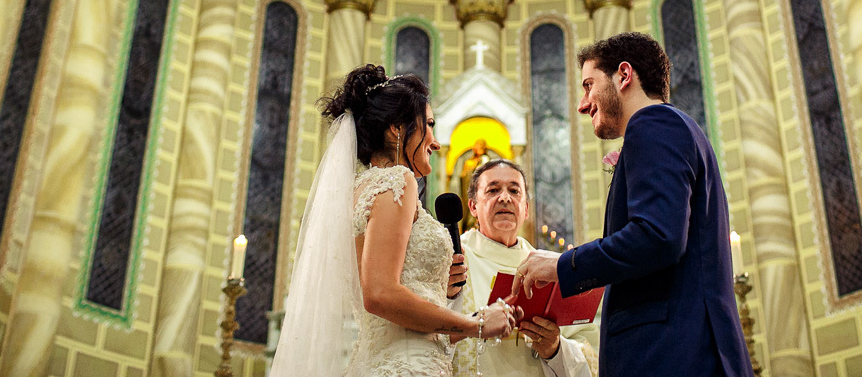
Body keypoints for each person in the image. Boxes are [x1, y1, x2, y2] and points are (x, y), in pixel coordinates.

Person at [513, 32, 753, 377]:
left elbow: (658, 237)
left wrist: (564, 265)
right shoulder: (677, 128)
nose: (583, 104)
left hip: (670, 353)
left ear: (624, 75)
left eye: (588, 85)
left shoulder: (654, 124)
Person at [271, 65, 518, 377]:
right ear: (396, 129)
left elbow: (395, 309)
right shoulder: (397, 181)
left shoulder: (358, 191)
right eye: (428, 125)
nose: (436, 142)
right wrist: (476, 324)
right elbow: (380, 294)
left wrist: (445, 291)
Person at [451, 158, 597, 377]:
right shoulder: (454, 258)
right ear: (473, 206)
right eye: (493, 190)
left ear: (526, 209)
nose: (504, 198)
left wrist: (555, 349)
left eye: (514, 190)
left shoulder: (551, 268)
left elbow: (590, 351)